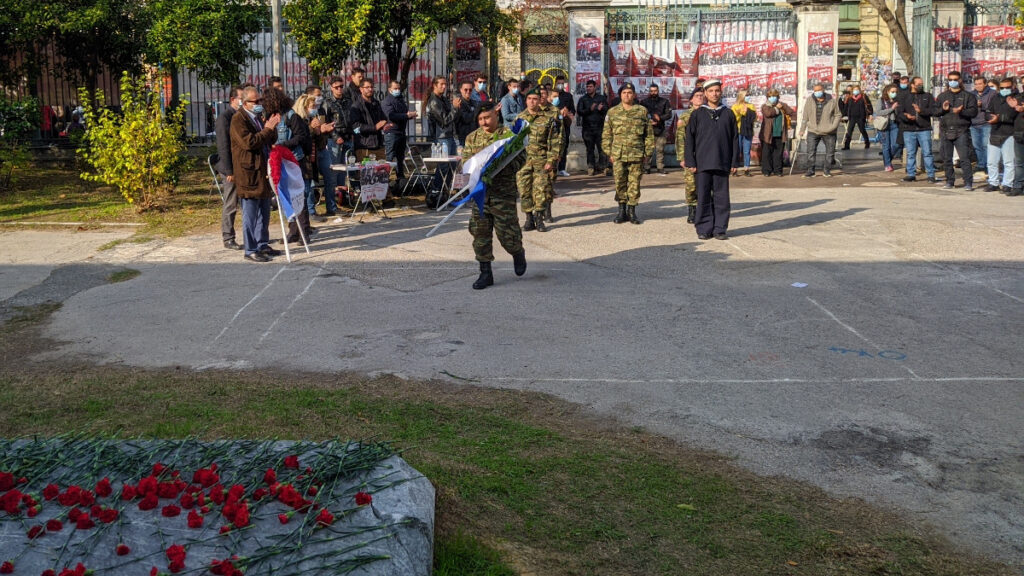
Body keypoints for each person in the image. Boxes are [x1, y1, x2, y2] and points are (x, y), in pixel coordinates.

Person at [462, 102, 527, 290]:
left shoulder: (508, 136)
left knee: (508, 234)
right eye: (480, 119)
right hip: (480, 195)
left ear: (496, 116)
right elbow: (467, 162)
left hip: (502, 194)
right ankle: (485, 272)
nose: (484, 122)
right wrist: (474, 172)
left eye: (487, 117)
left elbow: (521, 159)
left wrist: (499, 166)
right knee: (480, 234)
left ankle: (517, 252)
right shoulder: (472, 138)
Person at [230, 86, 282, 262]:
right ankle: (250, 249)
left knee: (264, 211)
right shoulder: (239, 120)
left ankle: (262, 244)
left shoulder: (258, 117)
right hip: (249, 173)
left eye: (260, 101)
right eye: (255, 101)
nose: (259, 104)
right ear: (245, 103)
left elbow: (269, 139)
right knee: (250, 215)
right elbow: (250, 143)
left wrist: (272, 127)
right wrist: (267, 129)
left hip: (263, 172)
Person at [685, 79, 737, 240]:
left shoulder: (728, 113)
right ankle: (704, 228)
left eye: (717, 91)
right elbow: (689, 140)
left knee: (722, 197)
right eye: (711, 91)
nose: (714, 94)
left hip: (722, 162)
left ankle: (720, 228)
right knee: (703, 196)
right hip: (702, 163)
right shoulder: (697, 114)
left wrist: (734, 162)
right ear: (705, 94)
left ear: (721, 93)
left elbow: (734, 139)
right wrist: (691, 162)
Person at [602, 81, 654, 224]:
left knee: (634, 183)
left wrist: (647, 153)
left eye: (629, 93)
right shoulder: (612, 112)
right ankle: (621, 211)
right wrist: (609, 153)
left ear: (634, 95)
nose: (627, 95)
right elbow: (606, 135)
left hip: (637, 154)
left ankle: (632, 211)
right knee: (620, 183)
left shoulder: (642, 111)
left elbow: (648, 135)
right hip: (618, 154)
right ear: (620, 95)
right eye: (624, 93)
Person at [516, 86, 562, 232]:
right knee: (524, 190)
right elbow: (513, 142)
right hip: (523, 162)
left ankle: (539, 218)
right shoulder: (520, 119)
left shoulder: (548, 119)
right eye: (529, 99)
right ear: (526, 101)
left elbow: (555, 141)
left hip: (541, 160)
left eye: (535, 99)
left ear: (539, 100)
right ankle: (529, 218)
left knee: (541, 190)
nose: (532, 102)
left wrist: (551, 160)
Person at [935, 70, 978, 190]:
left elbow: (973, 112)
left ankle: (968, 182)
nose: (953, 82)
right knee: (947, 158)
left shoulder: (968, 96)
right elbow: (934, 112)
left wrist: (961, 111)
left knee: (964, 158)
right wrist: (943, 110)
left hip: (961, 130)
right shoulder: (942, 96)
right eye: (950, 80)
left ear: (960, 81)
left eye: (955, 79)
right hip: (946, 130)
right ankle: (950, 181)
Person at [215, 85, 245, 250]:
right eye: (241, 98)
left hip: (241, 165)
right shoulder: (225, 118)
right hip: (230, 168)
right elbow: (224, 147)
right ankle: (228, 237)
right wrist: (229, 171)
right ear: (233, 100)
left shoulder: (240, 116)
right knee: (231, 202)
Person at [286, 94, 318, 242]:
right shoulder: (297, 120)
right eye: (312, 107)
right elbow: (302, 139)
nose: (314, 110)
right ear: (304, 107)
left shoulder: (306, 120)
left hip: (304, 160)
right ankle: (294, 230)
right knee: (295, 196)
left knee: (301, 195)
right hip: (298, 159)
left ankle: (303, 231)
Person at [896, 76, 938, 183]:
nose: (920, 85)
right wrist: (907, 117)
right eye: (918, 84)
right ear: (912, 85)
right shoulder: (904, 96)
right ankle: (911, 174)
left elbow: (933, 110)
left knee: (927, 152)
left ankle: (931, 175)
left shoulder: (927, 96)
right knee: (910, 153)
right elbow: (899, 112)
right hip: (909, 129)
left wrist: (921, 111)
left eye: (922, 84)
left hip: (924, 128)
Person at [675, 89, 704, 224]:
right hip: (690, 156)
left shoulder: (709, 113)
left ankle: (703, 210)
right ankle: (692, 210)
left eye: (701, 96)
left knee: (705, 185)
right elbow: (680, 138)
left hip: (705, 156)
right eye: (697, 96)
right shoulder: (685, 116)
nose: (700, 98)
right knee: (691, 185)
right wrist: (682, 157)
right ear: (691, 99)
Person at [798, 83, 840, 178]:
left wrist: (833, 126)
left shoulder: (832, 101)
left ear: (823, 90)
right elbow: (805, 116)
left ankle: (827, 170)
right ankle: (810, 171)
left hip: (829, 131)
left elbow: (838, 114)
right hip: (813, 130)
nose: (817, 92)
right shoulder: (809, 100)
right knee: (811, 152)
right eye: (815, 91)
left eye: (819, 90)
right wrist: (802, 129)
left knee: (830, 152)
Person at [425, 76, 458, 195]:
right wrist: (454, 108)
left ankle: (446, 189)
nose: (444, 87)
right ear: (435, 85)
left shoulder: (443, 99)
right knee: (443, 165)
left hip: (449, 136)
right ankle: (436, 189)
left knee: (453, 165)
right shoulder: (434, 101)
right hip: (441, 137)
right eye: (441, 84)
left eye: (445, 84)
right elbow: (444, 120)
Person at [986, 77, 1019, 193]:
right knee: (991, 161)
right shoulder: (995, 98)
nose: (1005, 89)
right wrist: (990, 118)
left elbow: (1015, 116)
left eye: (1007, 87)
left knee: (1009, 162)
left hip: (1009, 133)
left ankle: (1007, 184)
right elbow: (988, 112)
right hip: (995, 132)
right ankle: (993, 182)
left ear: (1013, 87)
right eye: (1002, 88)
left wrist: (999, 118)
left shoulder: (1017, 98)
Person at [382, 80, 417, 182]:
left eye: (398, 88)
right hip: (392, 132)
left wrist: (410, 115)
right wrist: (406, 115)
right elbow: (391, 115)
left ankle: (400, 178)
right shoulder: (387, 101)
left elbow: (403, 113)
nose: (397, 90)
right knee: (390, 156)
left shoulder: (400, 100)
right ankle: (384, 179)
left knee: (400, 157)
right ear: (389, 90)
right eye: (395, 89)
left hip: (401, 132)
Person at [350, 79, 389, 164]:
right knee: (366, 175)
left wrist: (385, 124)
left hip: (379, 145)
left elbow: (383, 119)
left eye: (371, 87)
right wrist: (374, 127)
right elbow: (355, 128)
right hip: (364, 147)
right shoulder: (356, 106)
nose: (370, 89)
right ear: (361, 89)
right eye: (367, 87)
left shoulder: (376, 103)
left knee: (383, 172)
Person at [759, 88, 795, 177]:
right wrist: (776, 108)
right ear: (768, 97)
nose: (773, 98)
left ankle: (778, 170)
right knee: (767, 153)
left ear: (778, 97)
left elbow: (791, 112)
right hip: (767, 134)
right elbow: (768, 114)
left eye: (774, 96)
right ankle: (767, 171)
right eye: (771, 96)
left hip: (780, 133)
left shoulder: (782, 105)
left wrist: (785, 109)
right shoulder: (765, 106)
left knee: (778, 153)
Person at [577, 79, 609, 176]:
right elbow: (579, 112)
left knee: (602, 149)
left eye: (590, 87)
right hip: (588, 129)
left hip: (600, 128)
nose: (588, 88)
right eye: (587, 87)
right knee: (590, 149)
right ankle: (591, 167)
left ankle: (602, 166)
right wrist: (589, 109)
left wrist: (601, 109)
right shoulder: (583, 99)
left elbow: (607, 110)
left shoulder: (601, 98)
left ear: (595, 87)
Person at [641, 82, 672, 174]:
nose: (653, 93)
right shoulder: (644, 102)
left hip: (660, 128)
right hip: (648, 129)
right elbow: (641, 115)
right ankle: (646, 168)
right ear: (649, 92)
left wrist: (660, 118)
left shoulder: (664, 101)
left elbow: (669, 114)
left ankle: (660, 167)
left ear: (658, 91)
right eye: (651, 91)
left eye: (655, 91)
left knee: (660, 149)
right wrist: (648, 120)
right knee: (648, 150)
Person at [972, 76, 996, 177]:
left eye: (980, 84)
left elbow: (994, 106)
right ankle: (981, 164)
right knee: (977, 146)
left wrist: (982, 106)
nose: (978, 86)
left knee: (986, 146)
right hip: (973, 123)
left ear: (985, 84)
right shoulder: (972, 94)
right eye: (976, 84)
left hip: (986, 123)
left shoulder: (992, 93)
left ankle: (987, 165)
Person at [730, 89, 757, 176]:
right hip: (738, 131)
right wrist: (741, 112)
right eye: (747, 95)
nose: (749, 97)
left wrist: (747, 112)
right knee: (736, 150)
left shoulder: (751, 106)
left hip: (748, 131)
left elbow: (754, 118)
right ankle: (734, 168)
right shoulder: (735, 106)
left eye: (749, 95)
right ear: (742, 96)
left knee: (746, 150)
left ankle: (747, 169)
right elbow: (733, 119)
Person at [875, 84, 902, 172]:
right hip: (884, 124)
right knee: (886, 145)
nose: (894, 93)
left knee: (896, 144)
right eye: (892, 92)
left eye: (895, 92)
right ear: (887, 92)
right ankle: (887, 164)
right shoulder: (881, 100)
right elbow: (878, 112)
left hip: (894, 124)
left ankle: (887, 159)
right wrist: (891, 108)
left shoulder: (897, 100)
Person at [553, 75, 576, 176]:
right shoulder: (553, 95)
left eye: (562, 83)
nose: (560, 85)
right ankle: (553, 168)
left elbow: (573, 110)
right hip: (553, 126)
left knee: (564, 146)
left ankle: (562, 168)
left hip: (564, 125)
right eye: (559, 83)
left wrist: (569, 114)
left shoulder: (568, 96)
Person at [841, 83, 873, 150]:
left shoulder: (863, 97)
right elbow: (846, 107)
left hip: (861, 117)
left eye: (857, 89)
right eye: (854, 89)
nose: (856, 91)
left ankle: (867, 143)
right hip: (852, 117)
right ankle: (847, 145)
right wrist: (842, 115)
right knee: (849, 131)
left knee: (862, 130)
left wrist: (870, 114)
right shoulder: (850, 98)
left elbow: (869, 105)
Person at [455, 81, 480, 146]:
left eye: (470, 90)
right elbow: (466, 118)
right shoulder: (459, 103)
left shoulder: (474, 103)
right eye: (466, 89)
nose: (468, 91)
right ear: (461, 90)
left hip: (474, 136)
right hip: (464, 137)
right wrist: (477, 112)